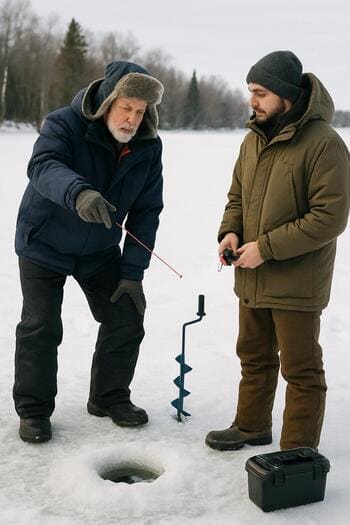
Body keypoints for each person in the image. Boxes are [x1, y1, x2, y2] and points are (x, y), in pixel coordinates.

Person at [205, 50, 350, 452]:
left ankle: (297, 454)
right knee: (253, 356)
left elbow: (329, 217)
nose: (253, 100)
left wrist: (265, 248)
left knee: (301, 369)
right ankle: (251, 426)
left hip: (297, 282)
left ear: (287, 95)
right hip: (251, 274)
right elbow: (237, 196)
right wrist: (230, 233)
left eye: (261, 92)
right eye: (251, 91)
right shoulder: (253, 140)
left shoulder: (324, 144)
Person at [14, 60, 164, 443]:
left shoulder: (148, 146)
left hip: (98, 249)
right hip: (44, 241)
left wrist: (132, 273)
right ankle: (33, 411)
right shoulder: (64, 123)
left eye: (140, 111)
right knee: (41, 326)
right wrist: (78, 191)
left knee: (126, 314)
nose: (132, 118)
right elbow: (43, 165)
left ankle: (108, 397)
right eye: (126, 107)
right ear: (107, 101)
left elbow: (146, 212)